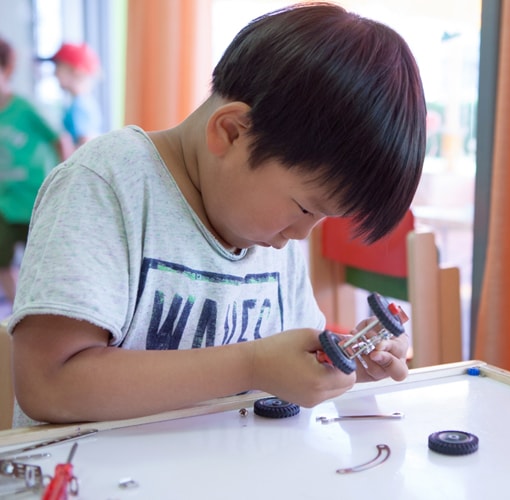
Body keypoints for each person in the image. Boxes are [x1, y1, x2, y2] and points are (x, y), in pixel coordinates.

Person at [10, 3, 426, 427]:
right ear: (231, 132)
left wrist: (342, 361)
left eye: (321, 218)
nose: (301, 234)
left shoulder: (268, 232)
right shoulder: (106, 185)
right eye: (304, 208)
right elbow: (48, 384)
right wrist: (251, 366)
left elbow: (289, 358)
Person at [0, 37, 66, 306]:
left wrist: (66, 177)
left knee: (41, 262)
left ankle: (40, 307)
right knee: (2, 260)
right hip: (5, 204)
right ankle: (18, 310)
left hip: (36, 200)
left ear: (7, 70)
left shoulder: (25, 109)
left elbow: (60, 139)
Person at [48, 41, 102, 149]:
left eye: (58, 67)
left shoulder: (80, 105)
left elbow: (86, 144)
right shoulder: (83, 102)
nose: (55, 74)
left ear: (75, 71)